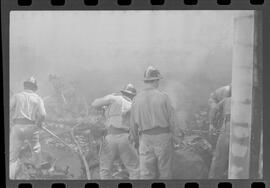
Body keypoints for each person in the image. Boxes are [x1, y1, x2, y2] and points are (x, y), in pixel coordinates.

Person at [129, 66, 183, 179]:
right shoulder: (163, 97)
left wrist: (135, 140)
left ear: (145, 81)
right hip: (163, 138)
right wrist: (177, 139)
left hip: (145, 139)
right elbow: (172, 121)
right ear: (156, 81)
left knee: (146, 174)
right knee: (165, 173)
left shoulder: (136, 99)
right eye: (158, 80)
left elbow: (132, 124)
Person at [91, 84, 139, 179]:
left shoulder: (113, 98)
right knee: (134, 168)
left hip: (110, 137)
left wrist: (108, 97)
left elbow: (94, 103)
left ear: (123, 92)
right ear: (133, 96)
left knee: (105, 169)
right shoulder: (134, 105)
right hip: (126, 138)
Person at [9, 77, 46, 179]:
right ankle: (38, 172)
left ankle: (10, 179)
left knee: (12, 156)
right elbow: (43, 114)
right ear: (34, 88)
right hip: (31, 127)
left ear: (25, 86)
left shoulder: (17, 96)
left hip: (17, 127)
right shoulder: (38, 98)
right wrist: (39, 123)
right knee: (36, 149)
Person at [208, 87, 231, 179]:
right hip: (232, 125)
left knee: (220, 155)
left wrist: (212, 124)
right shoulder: (226, 97)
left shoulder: (227, 100)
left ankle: (213, 178)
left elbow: (214, 109)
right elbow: (214, 106)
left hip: (228, 126)